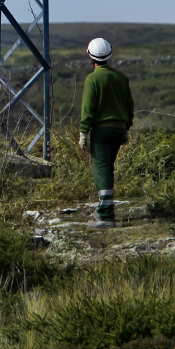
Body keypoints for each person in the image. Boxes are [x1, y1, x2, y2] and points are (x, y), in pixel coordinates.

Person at [78, 37, 133, 228]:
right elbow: (129, 106)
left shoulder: (92, 79)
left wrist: (83, 132)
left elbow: (88, 109)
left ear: (89, 56)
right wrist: (126, 127)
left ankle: (105, 215)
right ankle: (106, 209)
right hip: (119, 129)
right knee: (108, 166)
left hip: (102, 130)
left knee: (101, 167)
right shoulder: (121, 78)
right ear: (109, 55)